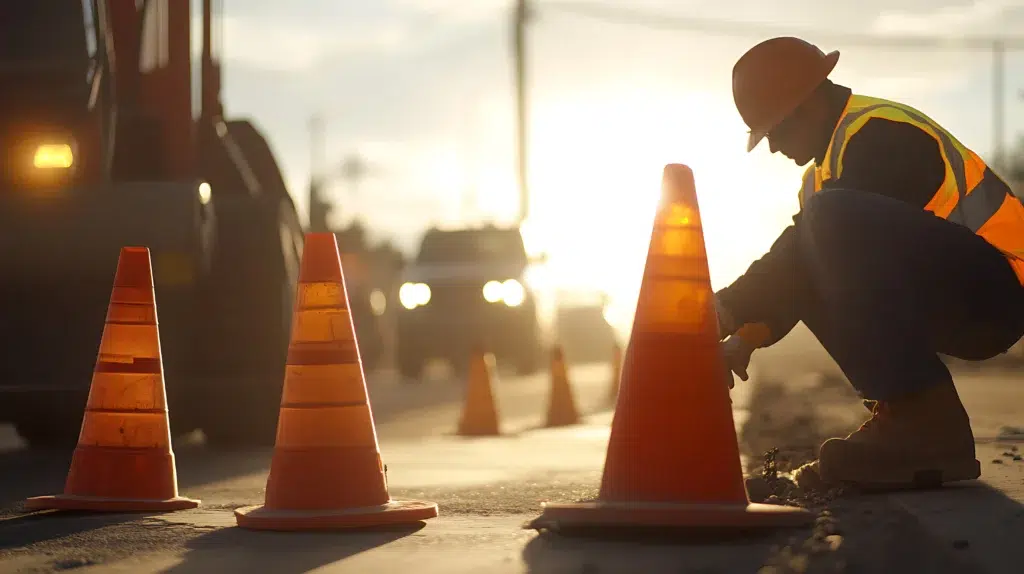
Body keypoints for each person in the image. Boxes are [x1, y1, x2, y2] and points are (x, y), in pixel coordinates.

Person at [716, 36, 1024, 491]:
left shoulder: (883, 132)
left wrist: (725, 307)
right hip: (949, 294)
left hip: (996, 290)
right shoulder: (821, 180)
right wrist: (742, 338)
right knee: (817, 236)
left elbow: (815, 248)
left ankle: (923, 423)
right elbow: (801, 270)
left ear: (808, 102)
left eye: (775, 131)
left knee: (826, 223)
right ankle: (904, 416)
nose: (773, 148)